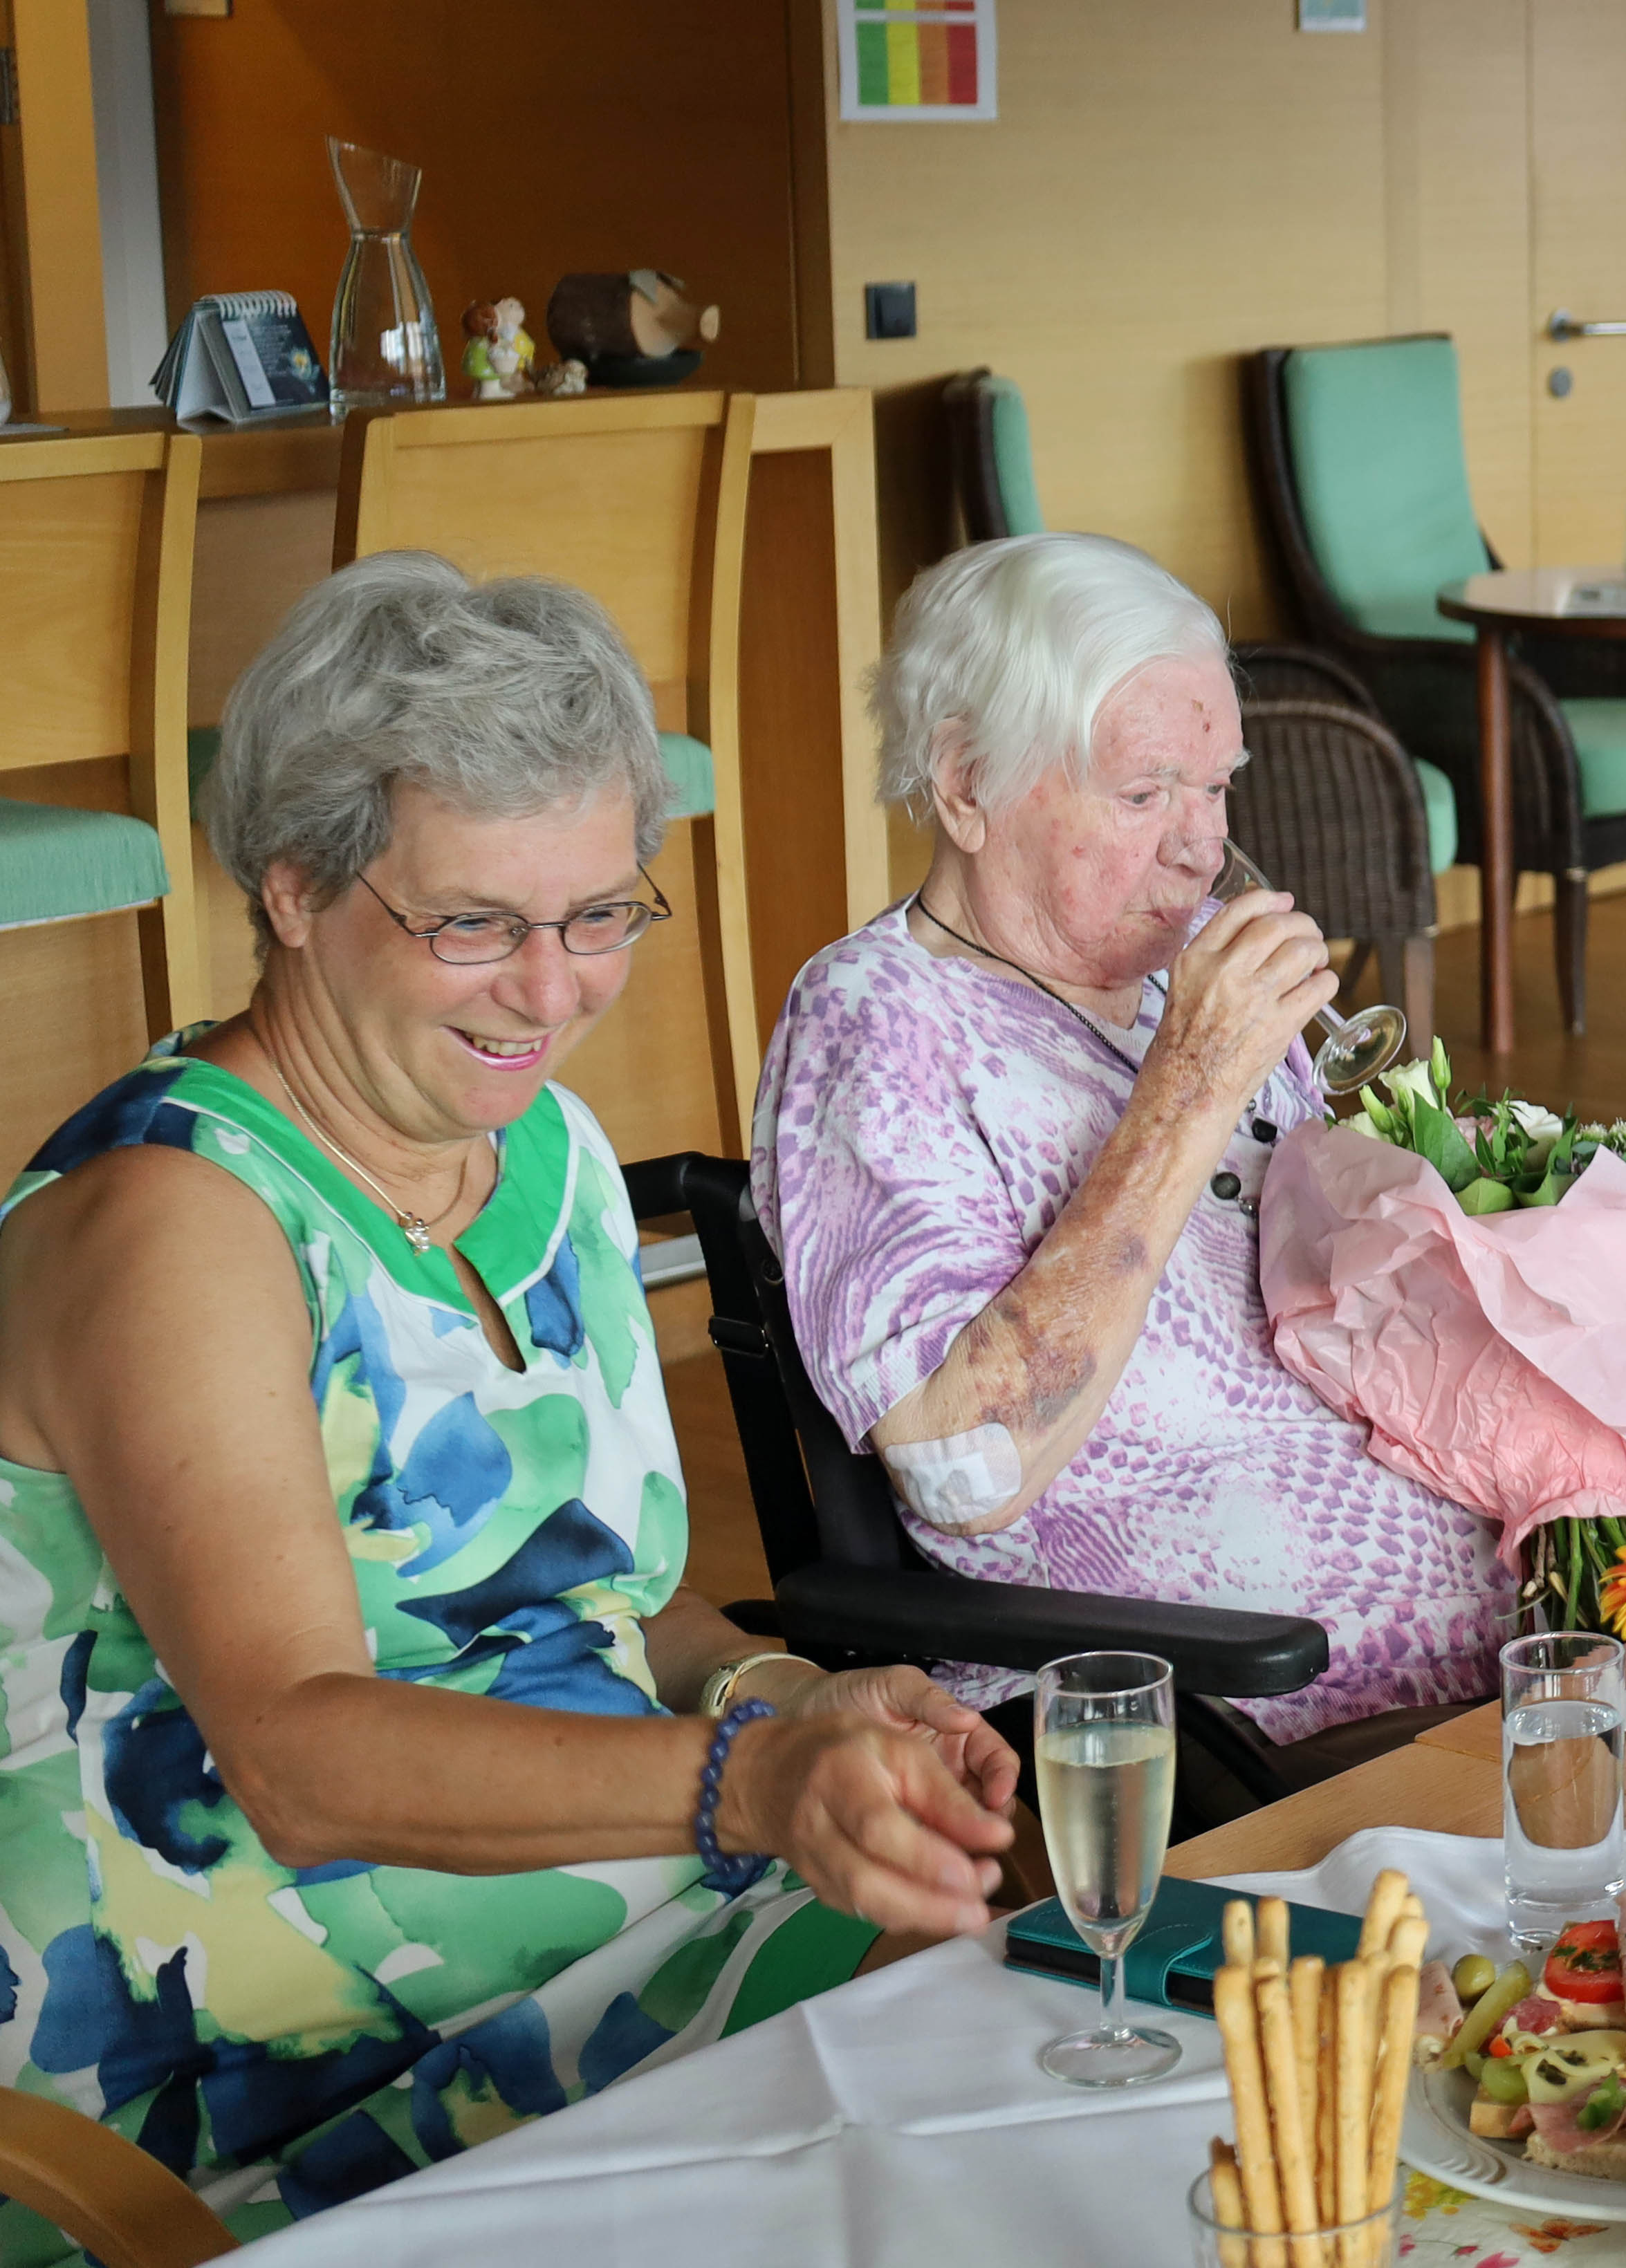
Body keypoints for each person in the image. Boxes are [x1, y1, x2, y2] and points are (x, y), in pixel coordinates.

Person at [0, 555, 1017, 2240]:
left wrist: (784, 1690)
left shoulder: (538, 1153)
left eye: (600, 911)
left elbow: (597, 1600)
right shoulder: (178, 1223)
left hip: (617, 1952)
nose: (554, 993)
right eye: (473, 923)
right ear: (292, 893)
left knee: (1065, 2015)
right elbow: (299, 1755)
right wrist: (749, 1782)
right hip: (278, 2085)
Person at [754, 532, 1513, 1776]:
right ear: (966, 785)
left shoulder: (1188, 974)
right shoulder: (876, 1027)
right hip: (1229, 1735)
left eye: (1217, 788)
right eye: (1146, 792)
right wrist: (1193, 1088)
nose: (1203, 845)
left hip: (1506, 1687)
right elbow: (964, 1463)